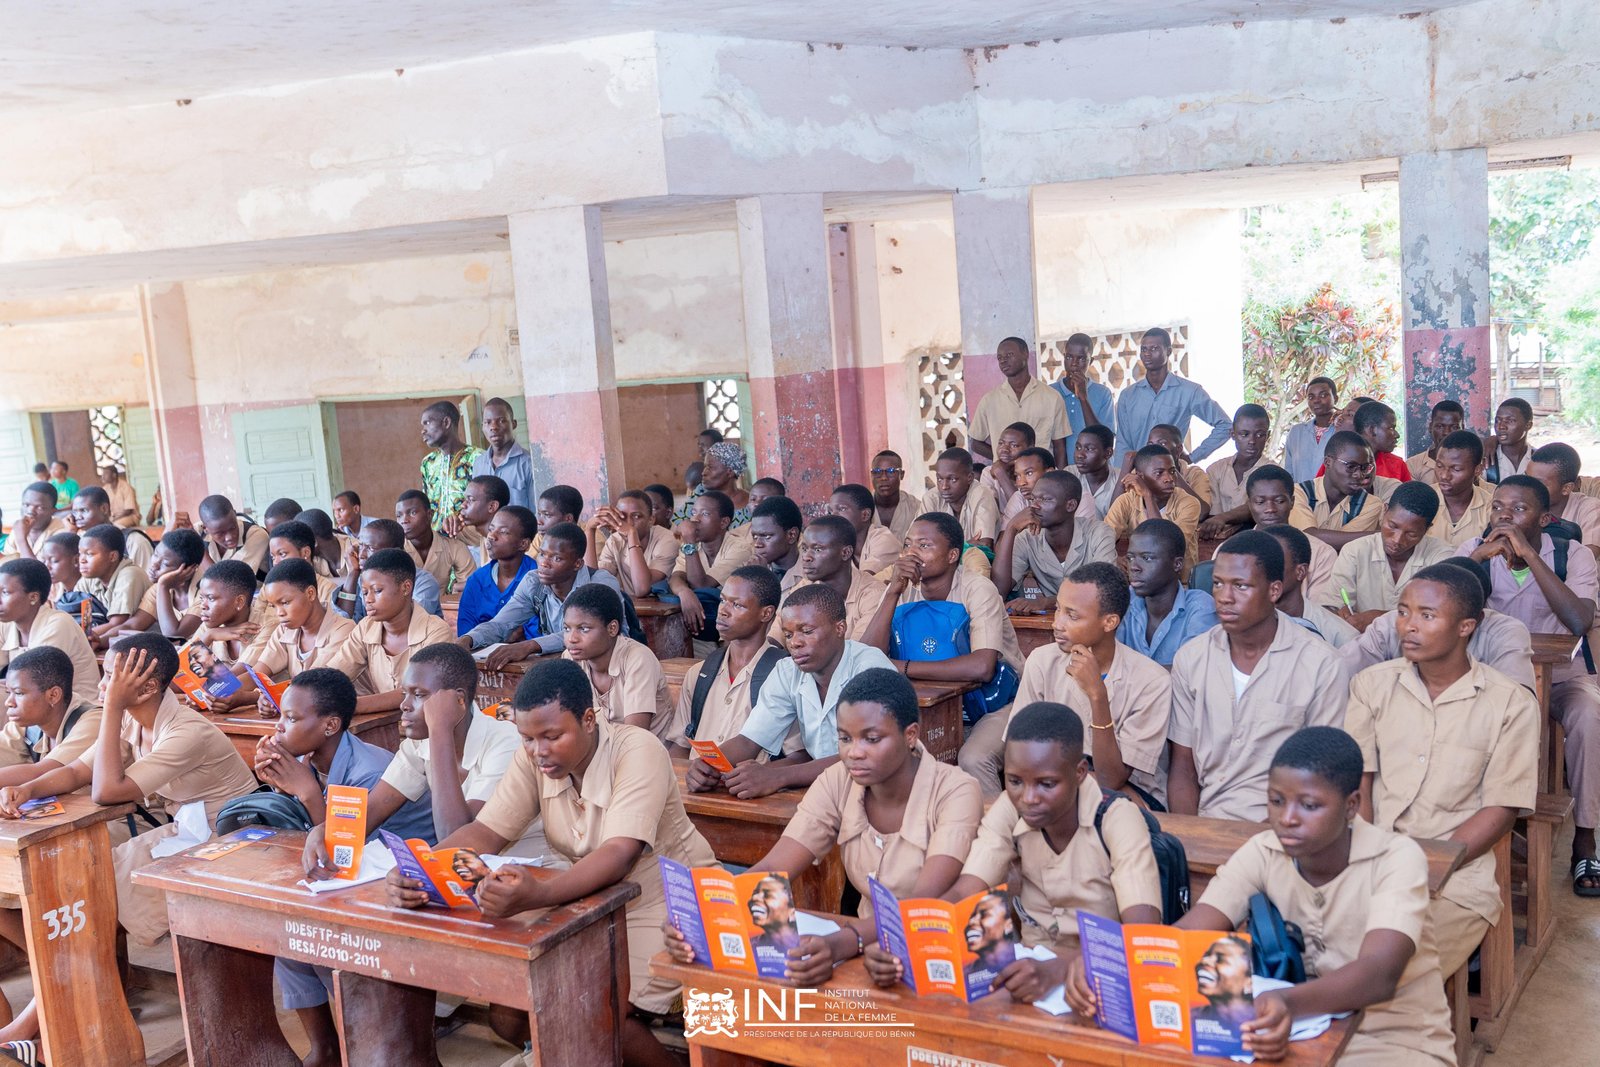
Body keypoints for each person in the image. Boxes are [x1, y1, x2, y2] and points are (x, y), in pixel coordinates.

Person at [386, 658, 715, 1067]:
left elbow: (618, 854)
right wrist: (422, 867)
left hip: (669, 903)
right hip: (590, 901)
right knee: (510, 1014)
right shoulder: (534, 759)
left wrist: (536, 894)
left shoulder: (637, 750)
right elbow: (486, 832)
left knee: (595, 1004)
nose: (538, 752)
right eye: (527, 738)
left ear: (589, 719)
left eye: (552, 736)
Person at [1066, 727, 1457, 1066]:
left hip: (1393, 1039)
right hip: (1291, 1032)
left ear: (1352, 805)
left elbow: (1379, 974)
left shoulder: (1397, 859)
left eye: (1309, 805)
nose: (1287, 817)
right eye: (1276, 801)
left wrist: (1288, 1003)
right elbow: (1189, 932)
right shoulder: (1263, 850)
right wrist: (1109, 963)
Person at [677, 667, 983, 980]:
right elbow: (774, 869)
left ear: (910, 735)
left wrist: (846, 942)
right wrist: (702, 918)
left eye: (872, 739)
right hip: (869, 952)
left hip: (947, 954)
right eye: (844, 738)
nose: (854, 753)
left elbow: (926, 900)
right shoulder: (838, 781)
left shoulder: (956, 790)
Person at [1344, 563, 1538, 977]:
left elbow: (1502, 809)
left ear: (1467, 626)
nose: (1408, 626)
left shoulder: (1510, 704)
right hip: (1371, 861)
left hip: (1455, 878)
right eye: (1403, 611)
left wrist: (1427, 866)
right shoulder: (1372, 686)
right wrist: (1366, 858)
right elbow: (1359, 781)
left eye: (1427, 616)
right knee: (1301, 947)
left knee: (1384, 969)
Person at [918, 703, 1162, 1003]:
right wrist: (914, 936)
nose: (1028, 798)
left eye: (1047, 784)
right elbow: (967, 890)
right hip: (1028, 968)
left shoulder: (1117, 818)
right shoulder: (1011, 805)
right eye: (1015, 780)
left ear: (1080, 773)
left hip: (1100, 978)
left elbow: (1143, 932)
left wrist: (1057, 969)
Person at [24, 635, 257, 947]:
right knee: (98, 876)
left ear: (148, 688)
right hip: (189, 830)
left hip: (233, 837)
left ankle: (100, 975)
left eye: (113, 677)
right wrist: (25, 790)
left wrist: (113, 707)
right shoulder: (131, 721)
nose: (103, 685)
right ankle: (92, 980)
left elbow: (105, 791)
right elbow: (75, 772)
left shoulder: (186, 732)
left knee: (114, 887)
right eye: (106, 674)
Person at [253, 667, 433, 1066]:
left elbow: (343, 852)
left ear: (331, 725)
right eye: (282, 717)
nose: (279, 729)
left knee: (317, 938)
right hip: (358, 874)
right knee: (286, 935)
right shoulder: (305, 757)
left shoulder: (368, 769)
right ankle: (324, 1048)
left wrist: (305, 790)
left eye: (293, 719)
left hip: (399, 877)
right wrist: (277, 782)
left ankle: (364, 1037)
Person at [1458, 475, 1600, 895]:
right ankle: (1485, 822)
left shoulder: (1573, 556)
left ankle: (1586, 837)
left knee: (1591, 714)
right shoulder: (1473, 551)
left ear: (1545, 518)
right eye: (1498, 507)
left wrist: (1527, 556)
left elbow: (1578, 621)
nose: (1505, 517)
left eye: (1518, 510)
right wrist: (1479, 561)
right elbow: (1444, 605)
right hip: (1492, 679)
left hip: (1563, 679)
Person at [304, 643, 545, 885]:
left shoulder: (505, 743)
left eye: (418, 695)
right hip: (470, 879)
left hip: (529, 875)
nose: (404, 705)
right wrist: (322, 831)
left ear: (459, 700)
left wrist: (440, 730)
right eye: (404, 694)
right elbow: (371, 811)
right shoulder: (419, 745)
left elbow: (457, 839)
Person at [1167, 532, 1348, 820]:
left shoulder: (1321, 665)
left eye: (1241, 586)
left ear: (1274, 591)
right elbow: (1182, 769)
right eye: (1217, 584)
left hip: (1283, 830)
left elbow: (1322, 778)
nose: (1224, 598)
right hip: (1204, 821)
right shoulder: (1192, 658)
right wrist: (1188, 840)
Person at [972, 564, 1169, 805]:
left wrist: (1097, 694)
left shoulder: (1151, 681)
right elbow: (1020, 751)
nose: (1057, 623)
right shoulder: (1042, 661)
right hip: (1050, 788)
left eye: (1072, 615)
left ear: (1109, 622)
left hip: (1128, 795)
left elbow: (1111, 780)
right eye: (1058, 610)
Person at [690, 584, 895, 798]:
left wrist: (780, 776)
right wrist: (709, 764)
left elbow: (867, 755)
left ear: (840, 628)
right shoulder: (788, 671)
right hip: (827, 787)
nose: (795, 643)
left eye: (806, 631)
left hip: (881, 790)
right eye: (788, 635)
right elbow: (749, 740)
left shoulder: (869, 667)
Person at [862, 512, 1023, 694]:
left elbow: (982, 667)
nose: (910, 553)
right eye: (907, 545)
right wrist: (892, 592)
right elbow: (867, 658)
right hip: (921, 696)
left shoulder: (978, 589)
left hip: (992, 698)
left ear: (952, 555)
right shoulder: (900, 588)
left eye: (924, 545)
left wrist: (901, 667)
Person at [1341, 556, 1537, 690]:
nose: (1412, 624)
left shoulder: (1505, 633)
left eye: (1428, 615)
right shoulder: (1389, 625)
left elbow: (1518, 703)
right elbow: (1340, 673)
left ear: (1473, 621)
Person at [459, 522, 624, 668]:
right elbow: (501, 624)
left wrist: (530, 645)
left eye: (556, 558)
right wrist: (468, 640)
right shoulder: (534, 582)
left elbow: (580, 634)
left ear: (577, 564)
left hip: (612, 665)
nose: (544, 563)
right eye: (542, 554)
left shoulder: (600, 584)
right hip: (565, 664)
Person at [670, 567, 792, 761]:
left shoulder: (784, 676)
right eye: (722, 600)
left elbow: (798, 755)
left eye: (737, 605)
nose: (723, 611)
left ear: (766, 613)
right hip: (697, 786)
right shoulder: (700, 674)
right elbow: (681, 746)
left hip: (751, 788)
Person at [323, 549, 455, 712]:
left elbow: (415, 692)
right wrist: (312, 690)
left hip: (427, 729)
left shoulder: (435, 631)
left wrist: (350, 706)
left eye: (377, 590)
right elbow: (336, 673)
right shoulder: (366, 627)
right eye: (364, 593)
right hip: (385, 726)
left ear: (406, 588)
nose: (368, 600)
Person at [561, 584, 678, 742]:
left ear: (612, 628)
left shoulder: (638, 658)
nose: (572, 638)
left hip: (646, 754)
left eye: (584, 629)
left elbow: (635, 735)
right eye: (567, 628)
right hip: (601, 750)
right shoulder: (570, 658)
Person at [1326, 482, 1451, 627]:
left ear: (1427, 529)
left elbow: (1440, 614)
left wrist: (1379, 618)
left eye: (1411, 534)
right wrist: (1339, 615)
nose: (1397, 540)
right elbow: (1332, 605)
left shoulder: (1442, 558)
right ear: (1384, 511)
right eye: (1392, 526)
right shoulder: (1355, 551)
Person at [1113, 327, 1232, 470]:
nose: (1147, 354)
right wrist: (1122, 476)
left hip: (1172, 475)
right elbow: (1123, 442)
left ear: (1168, 351)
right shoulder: (1128, 395)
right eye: (1144, 349)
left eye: (1154, 348)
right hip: (1138, 474)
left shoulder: (1189, 391)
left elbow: (1225, 426)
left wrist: (1192, 457)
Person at [994, 470, 1114, 601]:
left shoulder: (1099, 533)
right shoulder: (1028, 538)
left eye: (1045, 499)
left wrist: (1047, 603)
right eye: (1033, 499)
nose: (1034, 505)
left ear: (1070, 505)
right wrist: (1011, 528)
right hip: (1054, 620)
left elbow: (1103, 591)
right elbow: (999, 591)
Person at [239, 559, 356, 692]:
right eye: (273, 606)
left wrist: (248, 698)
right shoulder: (284, 630)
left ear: (310, 594)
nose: (279, 613)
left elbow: (310, 687)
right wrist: (222, 693)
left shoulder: (343, 630)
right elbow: (258, 675)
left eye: (285, 602)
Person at [1115, 519, 1218, 667]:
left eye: (1147, 558)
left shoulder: (1200, 608)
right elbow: (1108, 662)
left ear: (1177, 564)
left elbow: (1191, 675)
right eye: (1130, 558)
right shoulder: (1125, 600)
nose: (1134, 567)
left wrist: (1130, 674)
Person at [0, 559, 100, 708]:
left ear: (33, 597)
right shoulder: (7, 623)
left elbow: (32, 685)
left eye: (5, 593)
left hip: (74, 712)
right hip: (31, 706)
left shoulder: (58, 625)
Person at [771, 516, 887, 643]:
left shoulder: (873, 594)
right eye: (804, 549)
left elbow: (861, 652)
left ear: (846, 553)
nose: (806, 557)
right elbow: (775, 638)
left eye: (817, 549)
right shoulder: (804, 587)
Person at [0, 646, 102, 781]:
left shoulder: (94, 721)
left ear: (53, 695)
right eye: (9, 692)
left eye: (18, 693)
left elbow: (45, 773)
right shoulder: (28, 724)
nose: (9, 702)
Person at [968, 337, 1070, 468]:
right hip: (1003, 479)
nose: (1003, 361)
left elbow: (1059, 447)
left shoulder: (1052, 397)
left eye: (1009, 355)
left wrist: (1060, 480)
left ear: (1025, 354)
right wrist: (1004, 460)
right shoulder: (989, 400)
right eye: (999, 358)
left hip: (1040, 476)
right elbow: (975, 443)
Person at [668, 491, 756, 639]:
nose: (695, 520)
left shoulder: (740, 549)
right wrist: (684, 593)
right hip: (701, 628)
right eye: (694, 512)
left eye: (705, 514)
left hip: (730, 634)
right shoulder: (693, 547)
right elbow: (676, 577)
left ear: (724, 522)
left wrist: (689, 542)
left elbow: (701, 584)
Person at [1243, 464, 1336, 603]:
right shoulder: (1229, 550)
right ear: (1250, 504)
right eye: (1260, 502)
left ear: (1292, 502)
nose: (1270, 509)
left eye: (1279, 501)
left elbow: (1319, 615)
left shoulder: (1321, 553)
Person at [1294, 430, 1401, 551]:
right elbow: (1307, 537)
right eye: (1351, 466)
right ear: (1328, 462)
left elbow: (1345, 547)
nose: (1359, 474)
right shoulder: (1299, 493)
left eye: (1364, 468)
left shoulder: (1371, 504)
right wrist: (1379, 535)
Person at [1102, 444, 1203, 572]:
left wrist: (1148, 496)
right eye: (1159, 473)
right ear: (1140, 476)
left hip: (1178, 583)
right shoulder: (1126, 501)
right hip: (1138, 580)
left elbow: (1167, 547)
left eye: (1172, 471)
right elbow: (1103, 540)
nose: (1169, 478)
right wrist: (1113, 559)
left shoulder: (1189, 503)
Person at [1260, 525, 1358, 649]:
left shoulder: (1341, 637)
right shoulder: (1241, 623)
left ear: (1300, 572)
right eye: (1259, 564)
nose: (1262, 572)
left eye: (1274, 564)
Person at [334, 518, 442, 622]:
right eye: (361, 546)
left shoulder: (424, 583)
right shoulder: (362, 580)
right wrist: (353, 574)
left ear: (395, 551)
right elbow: (344, 623)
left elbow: (411, 625)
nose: (361, 555)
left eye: (370, 548)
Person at [455, 506, 537, 636]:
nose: (492, 536)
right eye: (491, 529)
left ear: (523, 544)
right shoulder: (477, 580)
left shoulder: (538, 579)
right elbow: (466, 632)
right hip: (481, 654)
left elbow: (540, 632)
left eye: (503, 532)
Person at [587, 490, 678, 598]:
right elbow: (593, 584)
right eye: (622, 516)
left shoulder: (667, 540)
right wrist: (589, 530)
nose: (628, 523)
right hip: (631, 608)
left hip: (663, 610)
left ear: (651, 520)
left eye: (636, 516)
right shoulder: (615, 541)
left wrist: (632, 534)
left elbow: (642, 589)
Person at [1199, 404, 1273, 537]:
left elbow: (1258, 508)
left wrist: (1223, 518)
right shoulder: (1215, 469)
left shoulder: (1273, 472)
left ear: (1268, 436)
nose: (1252, 441)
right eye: (1244, 434)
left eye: (1260, 435)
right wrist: (1217, 520)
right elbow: (1211, 514)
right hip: (1218, 540)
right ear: (1232, 434)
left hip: (1259, 539)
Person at [77, 524, 151, 642]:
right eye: (80, 553)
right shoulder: (89, 579)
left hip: (142, 642)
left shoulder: (130, 575)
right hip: (109, 639)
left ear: (112, 556)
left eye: (89, 554)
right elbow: (78, 615)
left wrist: (76, 636)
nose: (82, 560)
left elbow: (117, 623)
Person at [128, 528, 206, 640]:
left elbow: (173, 634)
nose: (154, 565)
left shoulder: (205, 594)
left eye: (165, 564)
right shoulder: (158, 588)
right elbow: (133, 625)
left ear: (189, 569)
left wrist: (163, 586)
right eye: (155, 554)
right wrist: (100, 639)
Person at [1051, 332, 1116, 463]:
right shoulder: (1051, 392)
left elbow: (1102, 439)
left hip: (1096, 470)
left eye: (1081, 359)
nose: (1074, 364)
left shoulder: (1103, 393)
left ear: (1090, 361)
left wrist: (1083, 398)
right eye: (1069, 357)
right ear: (1064, 358)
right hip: (1064, 469)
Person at [418, 399, 482, 530]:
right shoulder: (428, 463)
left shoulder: (478, 458)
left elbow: (484, 503)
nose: (423, 431)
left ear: (446, 422)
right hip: (438, 540)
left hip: (470, 538)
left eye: (427, 423)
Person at [920, 447, 1001, 550]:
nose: (944, 486)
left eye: (953, 479)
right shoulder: (931, 498)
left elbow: (984, 545)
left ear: (970, 478)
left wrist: (940, 549)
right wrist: (966, 546)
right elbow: (918, 543)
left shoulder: (982, 494)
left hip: (977, 564)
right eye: (940, 479)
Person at [395, 490, 473, 596]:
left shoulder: (454, 547)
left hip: (441, 610)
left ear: (429, 515)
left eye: (412, 513)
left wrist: (456, 589)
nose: (404, 520)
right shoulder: (396, 549)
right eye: (399, 516)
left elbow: (470, 588)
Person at [1528, 442, 1600, 551]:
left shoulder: (1589, 509)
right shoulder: (1517, 506)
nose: (1528, 487)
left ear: (1566, 488)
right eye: (1527, 478)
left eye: (1539, 483)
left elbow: (1587, 558)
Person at [1427, 430, 1494, 547]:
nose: (1444, 475)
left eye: (1456, 469)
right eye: (1439, 466)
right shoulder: (1423, 501)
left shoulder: (1490, 509)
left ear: (1478, 469)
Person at [471, 397, 533, 509]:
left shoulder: (528, 464)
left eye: (501, 421)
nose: (493, 427)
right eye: (487, 422)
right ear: (482, 427)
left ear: (513, 424)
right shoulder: (479, 464)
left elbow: (536, 511)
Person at [68, 487, 153, 567]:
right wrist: (72, 533)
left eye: (84, 510)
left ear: (104, 509)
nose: (78, 517)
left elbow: (148, 580)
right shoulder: (79, 541)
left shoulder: (133, 541)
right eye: (75, 512)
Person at [263, 519, 340, 607]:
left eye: (282, 554)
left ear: (305, 553)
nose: (275, 562)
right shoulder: (268, 587)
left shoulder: (326, 589)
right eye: (273, 557)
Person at [829, 483, 901, 574]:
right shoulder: (837, 545)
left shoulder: (884, 540)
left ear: (865, 515)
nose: (833, 517)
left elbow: (863, 581)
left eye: (842, 509)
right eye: (830, 511)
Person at [1331, 400, 1411, 482]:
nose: (1397, 435)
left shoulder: (1398, 465)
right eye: (1391, 428)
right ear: (1372, 430)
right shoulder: (1336, 461)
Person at [192, 494, 270, 576]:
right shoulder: (198, 530)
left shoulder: (256, 535)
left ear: (235, 515)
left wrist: (198, 549)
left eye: (233, 528)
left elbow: (226, 581)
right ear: (205, 528)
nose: (229, 537)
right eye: (220, 533)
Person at [1148, 423, 1213, 514]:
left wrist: (1171, 471)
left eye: (1162, 443)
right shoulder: (1142, 473)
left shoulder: (1194, 474)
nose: (1154, 449)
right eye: (1150, 444)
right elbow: (1121, 511)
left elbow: (1202, 513)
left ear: (1179, 449)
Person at [441, 474, 506, 561]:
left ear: (491, 506)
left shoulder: (509, 544)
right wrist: (447, 528)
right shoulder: (477, 531)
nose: (463, 505)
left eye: (470, 500)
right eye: (465, 500)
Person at [1064, 424, 1120, 522]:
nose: (1080, 455)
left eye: (1089, 449)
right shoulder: (1069, 475)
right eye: (1078, 447)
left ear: (1108, 453)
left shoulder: (1120, 479)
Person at [977, 422, 1036, 512]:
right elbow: (990, 512)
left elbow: (1021, 511)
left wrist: (1001, 474)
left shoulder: (1039, 472)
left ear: (1030, 448)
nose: (1004, 449)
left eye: (1014, 445)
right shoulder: (988, 472)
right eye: (1001, 443)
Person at [1406, 400, 1466, 485]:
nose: (1446, 432)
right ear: (1430, 427)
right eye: (1440, 426)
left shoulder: (1472, 463)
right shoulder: (1413, 465)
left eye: (1454, 427)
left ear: (1462, 429)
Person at [749, 496, 804, 588]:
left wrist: (762, 579)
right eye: (755, 536)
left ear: (791, 535)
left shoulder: (811, 576)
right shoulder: (752, 570)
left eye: (767, 536)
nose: (757, 544)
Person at [0, 483, 64, 561]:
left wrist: (21, 539)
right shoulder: (19, 528)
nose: (30, 511)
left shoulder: (62, 533)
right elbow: (7, 562)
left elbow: (40, 572)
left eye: (40, 507)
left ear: (53, 511)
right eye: (26, 505)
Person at [996, 446, 1055, 527]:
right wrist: (1013, 525)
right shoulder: (1019, 498)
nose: (1021, 483)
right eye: (1017, 476)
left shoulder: (1066, 497)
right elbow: (1002, 539)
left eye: (1029, 473)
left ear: (1049, 473)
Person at [869, 450, 920, 540]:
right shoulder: (861, 507)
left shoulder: (916, 508)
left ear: (902, 475)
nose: (884, 477)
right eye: (877, 471)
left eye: (891, 471)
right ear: (871, 475)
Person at [1484, 397, 1535, 483]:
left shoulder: (1537, 460)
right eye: (1497, 421)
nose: (1501, 426)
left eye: (1510, 421)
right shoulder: (1487, 461)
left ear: (1528, 425)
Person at [700, 442, 752, 521]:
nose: (703, 473)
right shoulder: (700, 493)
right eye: (705, 466)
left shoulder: (750, 503)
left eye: (710, 467)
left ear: (730, 472)